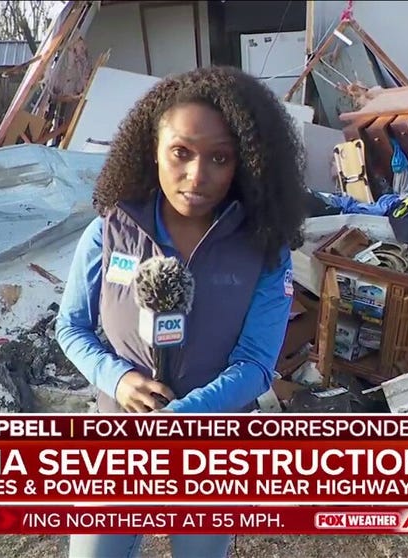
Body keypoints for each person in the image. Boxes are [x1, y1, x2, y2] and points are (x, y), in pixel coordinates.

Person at [55, 65, 306, 558]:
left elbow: (256, 364)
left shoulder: (264, 252)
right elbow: (72, 327)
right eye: (181, 153)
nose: (197, 175)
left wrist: (181, 419)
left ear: (245, 164)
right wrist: (117, 379)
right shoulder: (109, 233)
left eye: (219, 158)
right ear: (154, 149)